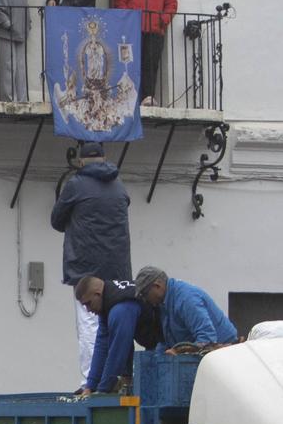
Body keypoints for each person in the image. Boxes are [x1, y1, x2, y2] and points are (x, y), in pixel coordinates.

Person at [52, 145, 132, 384]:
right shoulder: (119, 185)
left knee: (89, 323)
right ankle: (121, 377)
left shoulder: (76, 185)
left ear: (81, 162)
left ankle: (91, 380)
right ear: (105, 159)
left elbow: (56, 220)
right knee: (116, 323)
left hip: (84, 266)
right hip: (118, 269)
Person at [72, 276, 157, 396]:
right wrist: (90, 386)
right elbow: (101, 346)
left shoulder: (120, 310)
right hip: (150, 340)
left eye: (88, 304)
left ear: (97, 294)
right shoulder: (107, 305)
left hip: (165, 341)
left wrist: (103, 389)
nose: (88, 310)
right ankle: (126, 380)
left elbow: (118, 351)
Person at [113, 0, 177, 104]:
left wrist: (164, 19)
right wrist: (130, 19)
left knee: (151, 64)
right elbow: (120, 2)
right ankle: (131, 97)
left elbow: (171, 4)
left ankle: (147, 97)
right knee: (131, 64)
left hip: (155, 31)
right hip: (133, 31)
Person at [132, 266, 237, 349]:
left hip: (223, 352)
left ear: (157, 286)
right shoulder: (163, 303)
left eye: (145, 293)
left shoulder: (186, 299)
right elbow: (165, 341)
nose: (145, 299)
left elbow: (207, 339)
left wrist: (179, 351)